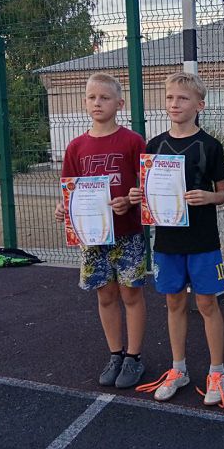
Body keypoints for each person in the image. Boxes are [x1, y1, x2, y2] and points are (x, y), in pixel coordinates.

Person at [130, 72, 224, 407]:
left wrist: (208, 197)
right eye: (170, 97)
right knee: (174, 303)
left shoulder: (210, 146)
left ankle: (217, 372)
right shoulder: (154, 146)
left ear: (199, 105)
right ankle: (178, 369)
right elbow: (148, 191)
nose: (175, 104)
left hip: (202, 240)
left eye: (183, 98)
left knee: (207, 304)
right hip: (167, 241)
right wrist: (138, 195)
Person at [54, 72, 147, 389]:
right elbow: (70, 191)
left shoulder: (133, 141)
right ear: (85, 102)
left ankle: (134, 357)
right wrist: (63, 209)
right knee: (105, 295)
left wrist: (129, 201)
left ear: (119, 103)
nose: (98, 103)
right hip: (92, 237)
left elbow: (146, 187)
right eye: (92, 97)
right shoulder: (76, 146)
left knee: (131, 293)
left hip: (127, 232)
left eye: (105, 97)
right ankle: (116, 354)